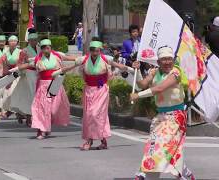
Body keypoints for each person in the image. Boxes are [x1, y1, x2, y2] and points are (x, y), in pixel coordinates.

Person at [53, 38, 133, 150]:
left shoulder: (106, 59)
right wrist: (59, 72)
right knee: (88, 115)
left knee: (95, 114)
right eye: (92, 50)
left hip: (101, 90)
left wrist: (129, 68)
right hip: (89, 90)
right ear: (90, 51)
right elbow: (71, 67)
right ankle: (97, 140)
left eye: (97, 51)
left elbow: (119, 66)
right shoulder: (84, 59)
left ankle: (93, 140)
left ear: (100, 51)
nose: (95, 53)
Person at [130, 46, 195, 180]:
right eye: (164, 60)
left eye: (169, 59)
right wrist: (134, 70)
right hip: (160, 116)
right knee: (154, 146)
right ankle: (185, 173)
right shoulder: (154, 72)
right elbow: (142, 84)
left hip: (176, 116)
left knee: (162, 147)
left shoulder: (176, 73)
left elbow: (159, 88)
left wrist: (138, 95)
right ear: (158, 62)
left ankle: (144, 173)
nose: (167, 62)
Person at [12, 38, 75, 139]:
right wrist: (15, 69)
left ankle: (47, 126)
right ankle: (40, 130)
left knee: (53, 110)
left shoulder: (58, 56)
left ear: (50, 48)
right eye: (43, 48)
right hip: (43, 86)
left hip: (55, 86)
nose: (46, 50)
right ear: (41, 49)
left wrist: (83, 59)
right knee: (41, 109)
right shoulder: (37, 59)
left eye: (48, 48)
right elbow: (27, 64)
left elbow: (70, 59)